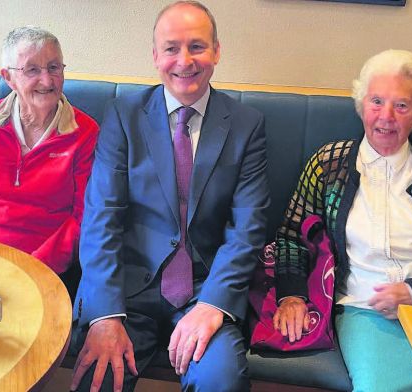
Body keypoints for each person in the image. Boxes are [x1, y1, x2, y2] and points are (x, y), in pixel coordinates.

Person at [70, 2, 269, 391]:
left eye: (197, 46)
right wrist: (106, 314)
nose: (185, 61)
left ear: (216, 51)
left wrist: (213, 303)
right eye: (171, 48)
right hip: (126, 291)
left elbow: (248, 228)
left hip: (204, 290)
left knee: (221, 382)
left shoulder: (247, 126)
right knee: (97, 382)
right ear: (155, 55)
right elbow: (101, 218)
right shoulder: (123, 116)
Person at [273, 49, 412, 391]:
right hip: (364, 310)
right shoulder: (329, 164)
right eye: (376, 102)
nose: (386, 116)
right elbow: (291, 237)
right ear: (361, 107)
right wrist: (292, 295)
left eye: (401, 106)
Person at [0, 26, 98, 277]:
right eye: (32, 70)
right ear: (8, 78)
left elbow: (83, 215)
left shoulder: (84, 132)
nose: (47, 81)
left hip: (48, 268)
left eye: (54, 67)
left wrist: (35, 267)